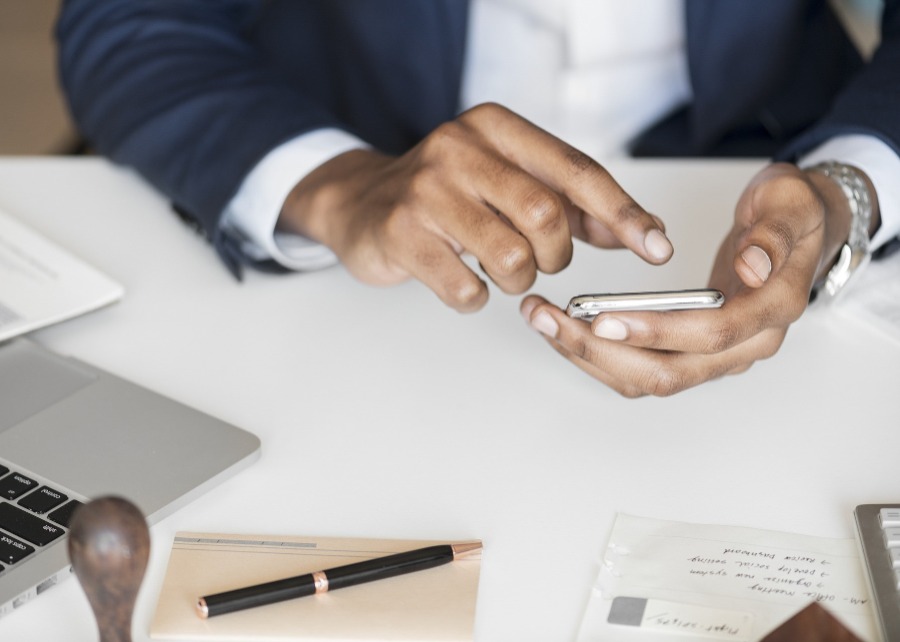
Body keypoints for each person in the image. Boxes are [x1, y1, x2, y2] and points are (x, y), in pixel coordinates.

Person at [56, 0, 899, 396]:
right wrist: (339, 187)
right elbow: (125, 19)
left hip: (758, 153)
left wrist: (848, 188)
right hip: (371, 195)